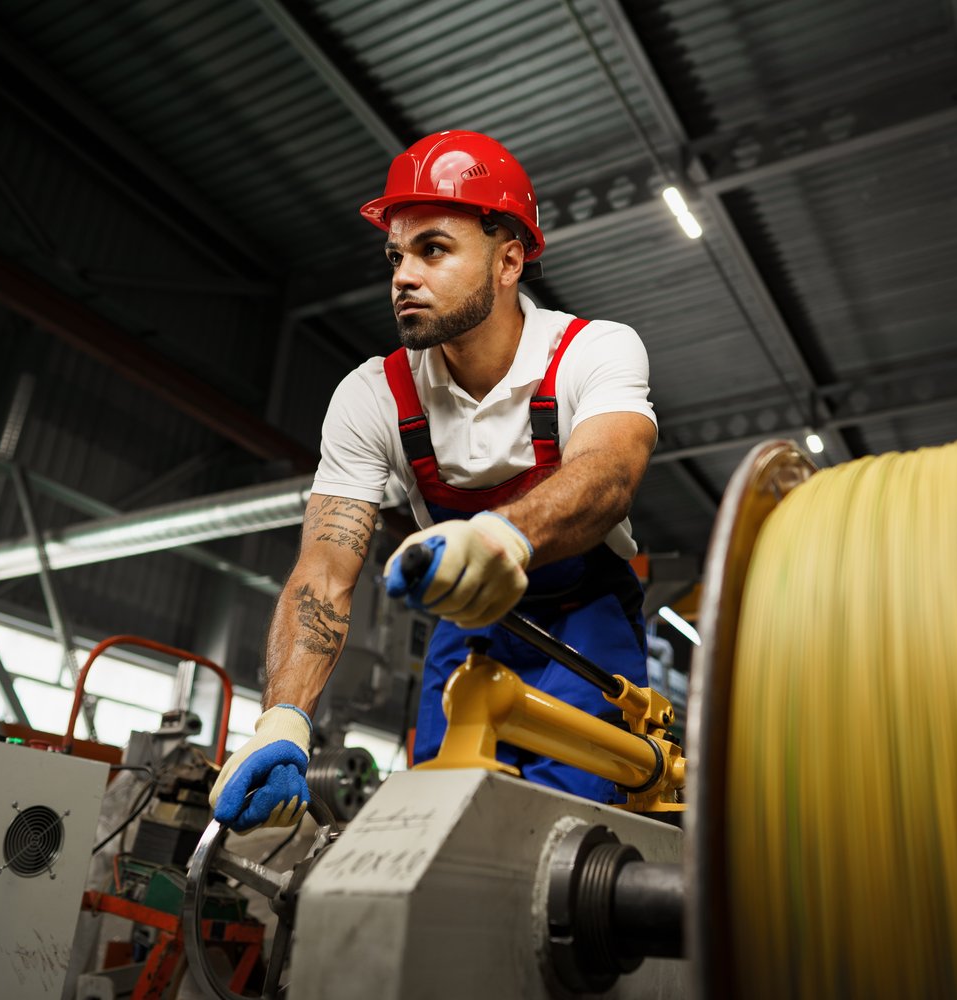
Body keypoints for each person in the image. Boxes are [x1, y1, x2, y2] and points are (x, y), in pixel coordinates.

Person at [209, 130, 657, 832]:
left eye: (433, 250)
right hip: (469, 626)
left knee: (569, 830)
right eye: (395, 255)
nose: (402, 276)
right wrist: (284, 719)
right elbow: (324, 572)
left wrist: (501, 538)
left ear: (509, 259)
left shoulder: (591, 351)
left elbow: (607, 476)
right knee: (436, 826)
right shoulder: (373, 396)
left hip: (584, 622)